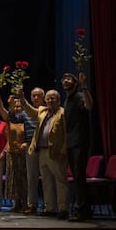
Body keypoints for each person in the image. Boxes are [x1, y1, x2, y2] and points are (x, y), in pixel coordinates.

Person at [20, 89, 69, 219]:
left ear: (58, 99)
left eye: (53, 98)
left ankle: (63, 208)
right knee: (46, 181)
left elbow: (66, 134)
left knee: (60, 181)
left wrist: (63, 151)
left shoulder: (62, 113)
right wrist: (23, 100)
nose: (50, 100)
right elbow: (31, 111)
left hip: (56, 152)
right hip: (42, 151)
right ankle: (50, 208)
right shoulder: (43, 111)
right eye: (48, 98)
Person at [61, 72, 93, 222]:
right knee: (77, 177)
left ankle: (81, 210)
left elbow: (89, 105)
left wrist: (84, 86)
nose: (65, 81)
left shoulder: (80, 96)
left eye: (68, 79)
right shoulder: (67, 100)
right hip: (70, 142)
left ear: (75, 82)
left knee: (79, 176)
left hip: (79, 141)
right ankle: (84, 210)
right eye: (63, 79)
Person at [0, 87, 27, 212]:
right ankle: (16, 202)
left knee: (23, 178)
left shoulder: (26, 119)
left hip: (23, 153)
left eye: (19, 107)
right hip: (12, 152)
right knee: (13, 179)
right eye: (15, 106)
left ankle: (25, 202)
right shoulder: (9, 117)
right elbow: (0, 107)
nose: (17, 108)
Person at [22, 87, 45, 215]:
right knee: (32, 178)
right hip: (31, 147)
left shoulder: (47, 111)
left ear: (43, 97)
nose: (36, 98)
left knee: (47, 178)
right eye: (33, 96)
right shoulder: (26, 112)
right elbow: (14, 122)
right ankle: (32, 204)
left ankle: (49, 204)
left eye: (38, 96)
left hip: (44, 148)